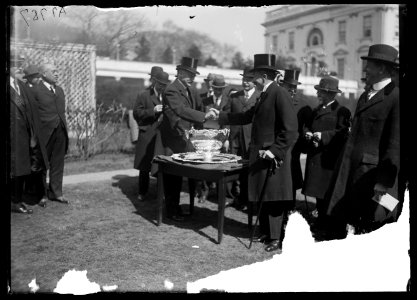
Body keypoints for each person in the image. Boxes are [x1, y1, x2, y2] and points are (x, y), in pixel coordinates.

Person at [215, 54, 299, 253]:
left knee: (273, 197)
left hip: (272, 156)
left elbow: (290, 129)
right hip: (261, 154)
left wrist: (275, 151)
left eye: (253, 76)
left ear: (262, 75)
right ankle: (266, 233)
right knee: (264, 194)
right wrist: (220, 116)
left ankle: (276, 238)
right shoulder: (264, 94)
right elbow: (246, 116)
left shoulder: (279, 93)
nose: (251, 80)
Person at [322, 44, 400, 239]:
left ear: (381, 68)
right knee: (350, 219)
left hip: (372, 176)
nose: (365, 69)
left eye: (369, 65)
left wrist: (384, 182)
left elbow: (395, 143)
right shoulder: (367, 95)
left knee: (377, 220)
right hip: (352, 169)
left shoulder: (396, 97)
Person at [159, 57, 217, 222]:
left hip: (187, 138)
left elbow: (199, 106)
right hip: (173, 139)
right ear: (179, 72)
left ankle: (185, 206)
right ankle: (172, 211)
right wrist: (203, 115)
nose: (192, 77)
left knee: (187, 174)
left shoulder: (191, 89)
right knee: (173, 177)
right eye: (188, 74)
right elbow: (180, 109)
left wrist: (209, 110)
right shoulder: (171, 89)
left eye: (193, 74)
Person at [301, 76, 351, 233]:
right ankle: (321, 224)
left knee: (327, 195)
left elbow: (343, 133)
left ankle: (327, 227)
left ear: (331, 94)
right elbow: (307, 127)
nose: (318, 94)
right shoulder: (316, 110)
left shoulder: (341, 111)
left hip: (328, 161)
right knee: (317, 195)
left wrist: (322, 136)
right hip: (315, 158)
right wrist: (308, 133)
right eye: (318, 91)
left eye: (321, 92)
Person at [223, 66, 261, 209]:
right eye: (244, 79)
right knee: (231, 167)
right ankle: (231, 197)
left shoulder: (259, 96)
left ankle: (245, 199)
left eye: (249, 80)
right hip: (234, 139)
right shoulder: (234, 96)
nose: (246, 82)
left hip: (249, 140)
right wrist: (226, 138)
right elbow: (227, 117)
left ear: (255, 82)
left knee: (247, 170)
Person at [32, 63, 69, 205]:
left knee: (58, 163)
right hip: (44, 133)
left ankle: (56, 193)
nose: (57, 73)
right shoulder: (36, 91)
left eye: (57, 70)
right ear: (44, 74)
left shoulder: (59, 90)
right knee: (41, 164)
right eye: (54, 71)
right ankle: (41, 195)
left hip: (60, 131)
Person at [133, 71, 170, 202]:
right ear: (154, 81)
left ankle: (162, 193)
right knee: (144, 166)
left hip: (162, 136)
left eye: (164, 85)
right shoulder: (143, 95)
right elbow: (136, 114)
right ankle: (142, 192)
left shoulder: (168, 96)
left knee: (161, 165)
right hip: (148, 133)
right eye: (160, 84)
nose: (162, 87)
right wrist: (152, 111)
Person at [279, 69, 313, 203]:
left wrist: (303, 144)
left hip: (293, 149)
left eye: (295, 86)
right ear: (283, 85)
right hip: (277, 146)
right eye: (289, 86)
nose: (292, 89)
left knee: (291, 179)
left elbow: (308, 127)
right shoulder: (276, 99)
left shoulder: (303, 105)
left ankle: (289, 208)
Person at [196, 74, 230, 203]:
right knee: (204, 163)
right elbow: (200, 118)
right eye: (216, 88)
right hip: (206, 136)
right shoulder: (205, 101)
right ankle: (204, 191)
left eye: (220, 89)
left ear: (223, 89)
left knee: (219, 165)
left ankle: (219, 193)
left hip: (221, 136)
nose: (218, 91)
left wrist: (226, 139)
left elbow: (228, 120)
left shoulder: (228, 101)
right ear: (213, 87)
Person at [21, 64, 50, 207]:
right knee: (33, 164)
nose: (39, 78)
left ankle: (41, 194)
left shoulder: (39, 89)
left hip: (40, 131)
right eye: (36, 77)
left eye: (39, 76)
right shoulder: (24, 91)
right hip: (30, 133)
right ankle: (32, 193)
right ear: (29, 78)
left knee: (41, 165)